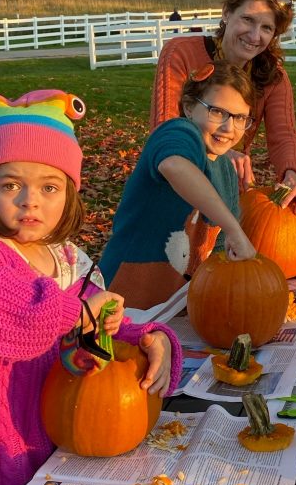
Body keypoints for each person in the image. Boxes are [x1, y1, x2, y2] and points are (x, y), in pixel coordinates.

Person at [0, 90, 183, 485]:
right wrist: (76, 311)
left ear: (69, 194)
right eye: (11, 185)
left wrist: (145, 336)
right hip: (0, 445)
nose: (30, 200)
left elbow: (93, 322)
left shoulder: (67, 260)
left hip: (66, 435)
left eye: (49, 187)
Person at [100, 61, 259, 310]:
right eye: (217, 112)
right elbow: (174, 166)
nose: (229, 128)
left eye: (240, 118)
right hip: (121, 303)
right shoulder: (177, 132)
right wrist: (234, 229)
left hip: (175, 310)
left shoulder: (227, 171)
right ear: (189, 107)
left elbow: (218, 253)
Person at [151, 0, 296, 215]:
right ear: (227, 13)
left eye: (267, 28)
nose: (255, 36)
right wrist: (221, 153)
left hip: (231, 189)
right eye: (248, 19)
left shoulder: (272, 76)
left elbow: (284, 136)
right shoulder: (181, 53)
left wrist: (291, 179)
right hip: (175, 183)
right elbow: (164, 129)